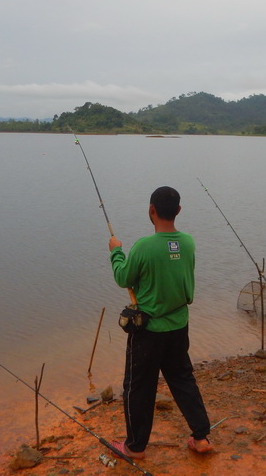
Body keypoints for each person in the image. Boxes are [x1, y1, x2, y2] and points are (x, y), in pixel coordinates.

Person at [107, 186, 213, 459]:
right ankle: (201, 437)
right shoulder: (188, 242)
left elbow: (123, 278)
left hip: (149, 331)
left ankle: (135, 447)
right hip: (179, 326)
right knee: (182, 378)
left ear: (151, 211)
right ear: (178, 210)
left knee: (138, 386)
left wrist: (116, 252)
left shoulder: (143, 246)